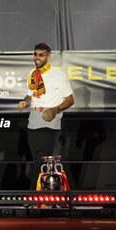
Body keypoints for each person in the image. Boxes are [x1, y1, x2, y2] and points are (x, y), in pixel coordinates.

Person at [18, 42, 74, 189]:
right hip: (33, 123)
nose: (37, 57)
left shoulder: (58, 75)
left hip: (49, 124)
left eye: (41, 55)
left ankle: (35, 196)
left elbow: (70, 100)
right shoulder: (33, 73)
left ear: (48, 56)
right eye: (35, 54)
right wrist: (25, 102)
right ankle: (44, 195)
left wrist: (56, 109)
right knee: (38, 162)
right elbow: (30, 96)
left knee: (41, 163)